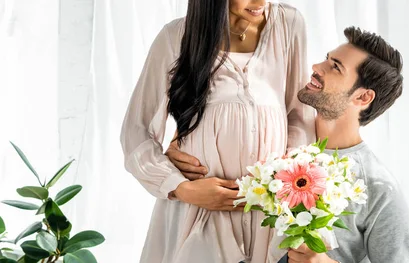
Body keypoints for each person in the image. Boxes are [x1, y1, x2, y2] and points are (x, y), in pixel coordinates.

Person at [167, 27, 409, 263]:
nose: (317, 67)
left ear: (362, 97)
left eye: (335, 67)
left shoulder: (378, 188)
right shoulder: (274, 138)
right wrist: (181, 146)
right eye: (327, 59)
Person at [120, 0, 314, 262]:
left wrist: (283, 177)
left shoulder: (288, 24)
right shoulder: (176, 37)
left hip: (267, 215)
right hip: (195, 212)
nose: (260, 2)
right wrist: (180, 188)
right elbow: (136, 132)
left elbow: (300, 116)